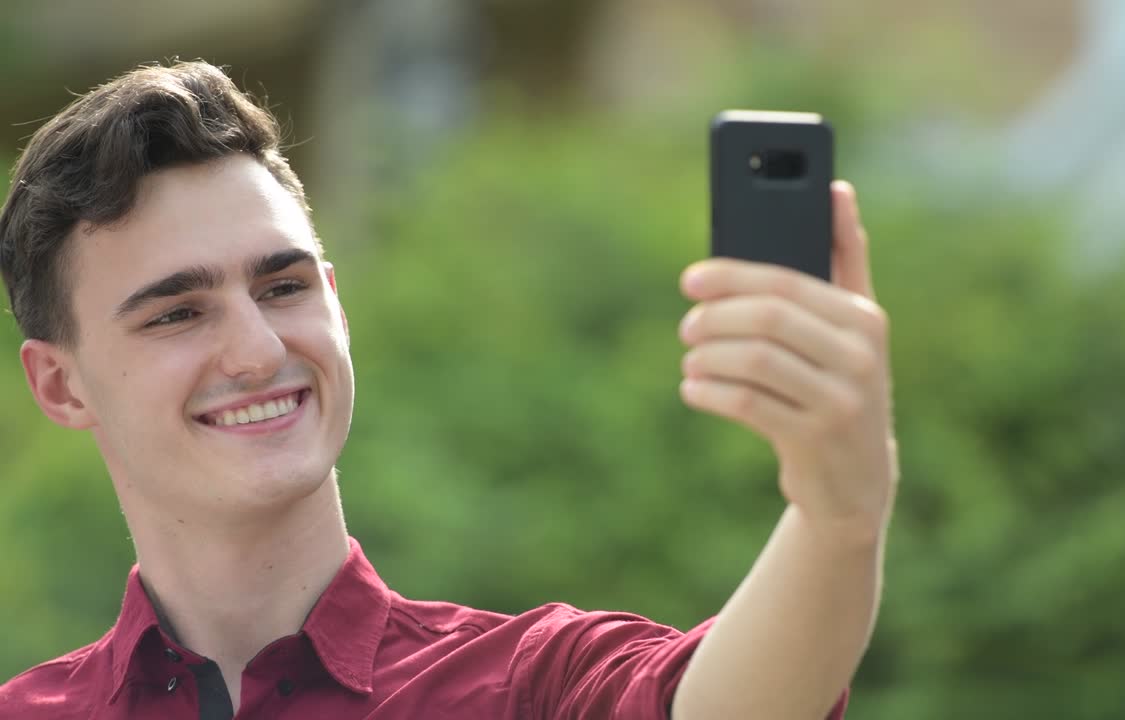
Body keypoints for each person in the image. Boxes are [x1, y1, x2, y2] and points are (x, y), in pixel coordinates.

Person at [0, 60, 898, 719]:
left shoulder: (536, 686)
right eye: (177, 314)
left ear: (334, 302)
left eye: (283, 287)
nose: (259, 350)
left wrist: (840, 516)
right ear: (61, 385)